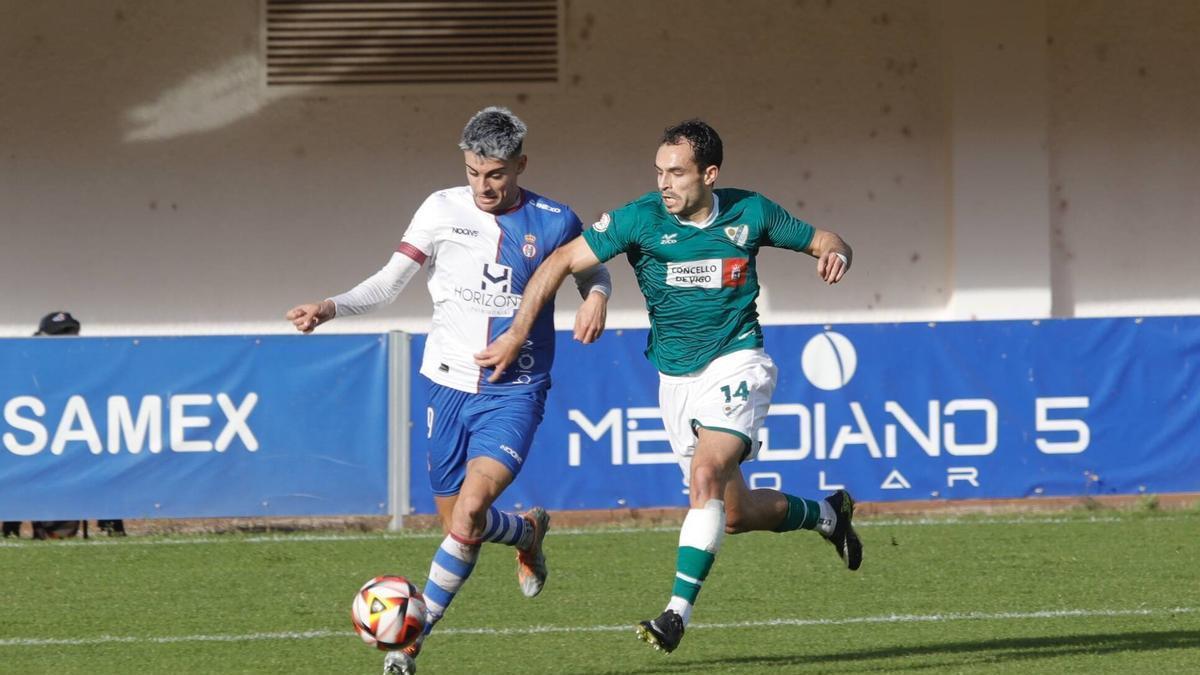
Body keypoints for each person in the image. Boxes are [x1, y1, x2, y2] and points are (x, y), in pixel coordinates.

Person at [476, 119, 862, 654]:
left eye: (676, 173)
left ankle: (675, 614)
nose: (664, 183)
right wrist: (579, 302)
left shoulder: (751, 212)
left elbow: (825, 238)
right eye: (659, 172)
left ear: (709, 173)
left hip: (738, 362)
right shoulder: (639, 219)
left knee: (705, 474)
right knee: (732, 513)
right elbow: (562, 260)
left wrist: (835, 252)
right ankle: (826, 514)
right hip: (675, 379)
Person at [286, 107, 611, 674]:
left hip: (514, 389)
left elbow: (593, 270)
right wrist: (330, 306)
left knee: (470, 513)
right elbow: (389, 282)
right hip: (444, 388)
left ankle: (408, 647)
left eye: (496, 174)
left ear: (520, 166)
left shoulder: (556, 220)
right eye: (473, 173)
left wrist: (597, 296)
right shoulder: (440, 209)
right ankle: (527, 531)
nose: (483, 186)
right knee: (463, 527)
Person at [3, 312, 126, 539]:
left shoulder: (89, 371)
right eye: (60, 337)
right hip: (39, 450)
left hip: (80, 447)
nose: (68, 344)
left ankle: (110, 524)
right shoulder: (25, 371)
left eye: (71, 336)